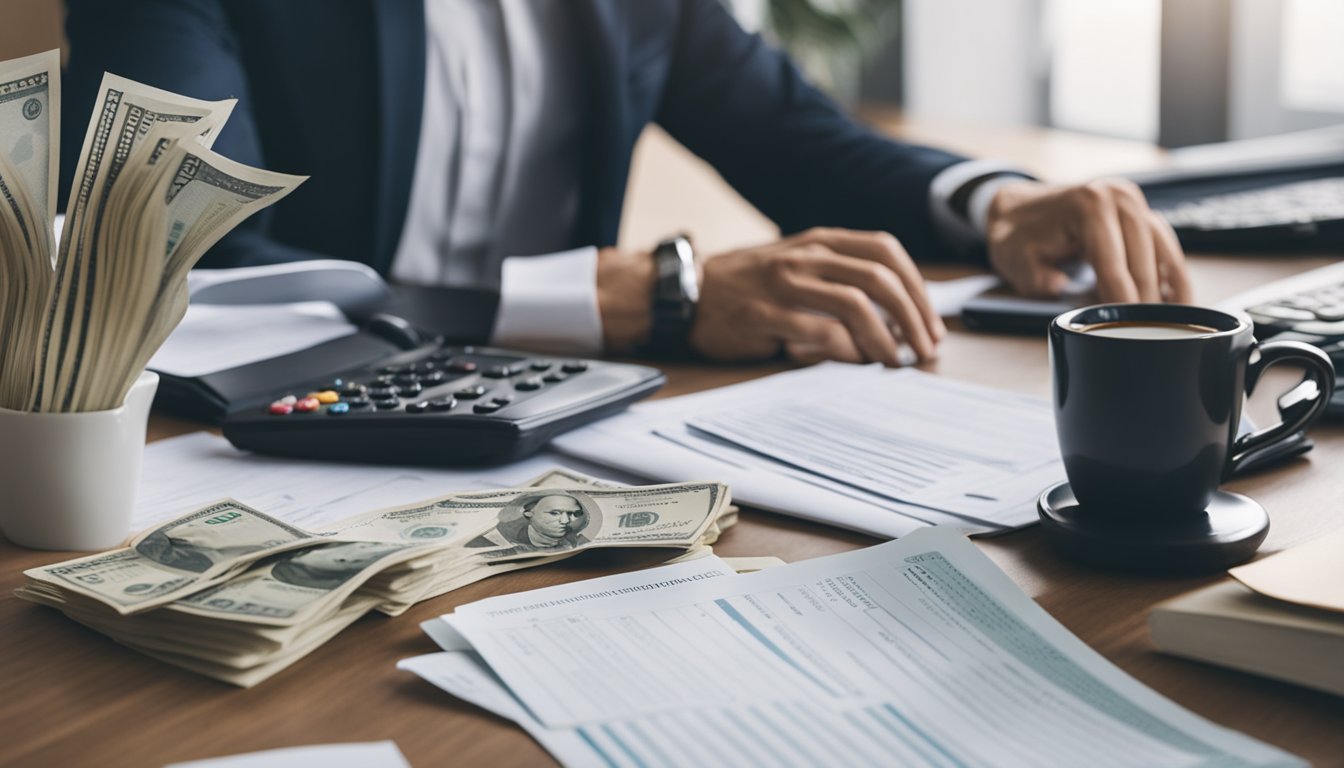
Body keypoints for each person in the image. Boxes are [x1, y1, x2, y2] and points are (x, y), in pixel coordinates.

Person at [62, 0, 1193, 366]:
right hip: (279, 438)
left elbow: (790, 134)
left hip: (581, 436)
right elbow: (163, 246)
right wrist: (624, 299)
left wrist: (994, 203)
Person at [466, 492, 592, 552]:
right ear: (529, 513)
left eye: (573, 514)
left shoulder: (578, 542)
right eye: (554, 513)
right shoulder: (490, 540)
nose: (565, 521)